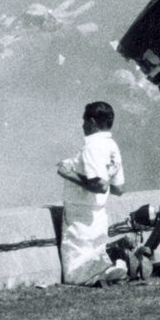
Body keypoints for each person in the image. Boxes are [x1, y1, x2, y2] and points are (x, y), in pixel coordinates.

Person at [56, 101, 128, 286]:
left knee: (74, 271)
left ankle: (111, 266)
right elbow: (119, 188)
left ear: (93, 122)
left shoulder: (91, 147)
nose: (83, 125)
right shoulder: (112, 146)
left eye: (85, 121)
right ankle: (115, 265)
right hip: (99, 213)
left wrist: (69, 174)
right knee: (94, 252)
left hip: (80, 212)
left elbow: (101, 185)